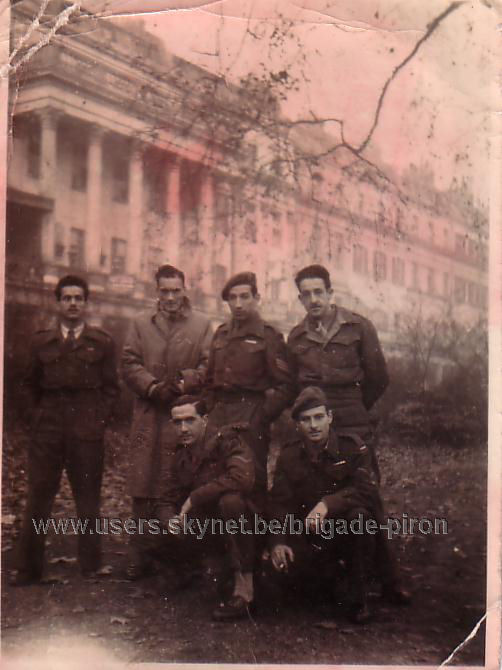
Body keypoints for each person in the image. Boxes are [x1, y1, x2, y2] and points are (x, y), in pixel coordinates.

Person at [267, 387, 410, 623]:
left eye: (319, 417)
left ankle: (359, 598)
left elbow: (367, 491)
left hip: (347, 531)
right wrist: (278, 542)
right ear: (297, 424)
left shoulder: (352, 447)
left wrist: (328, 504)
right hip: (310, 534)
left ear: (330, 417)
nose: (313, 425)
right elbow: (279, 503)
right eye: (306, 419)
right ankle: (331, 580)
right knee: (292, 592)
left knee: (360, 517)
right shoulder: (289, 456)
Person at [14, 275, 120, 584]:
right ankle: (27, 568)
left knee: (87, 496)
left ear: (86, 304)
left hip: (86, 428)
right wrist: (37, 419)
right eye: (67, 298)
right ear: (58, 302)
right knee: (39, 495)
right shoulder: (40, 341)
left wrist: (98, 420)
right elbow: (27, 385)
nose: (73, 303)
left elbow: (112, 389)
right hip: (48, 427)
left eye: (78, 298)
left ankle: (91, 563)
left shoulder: (101, 342)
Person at [121, 264, 213, 580]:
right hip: (149, 415)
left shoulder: (201, 325)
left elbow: (207, 364)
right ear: (156, 292)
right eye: (164, 291)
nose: (171, 297)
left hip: (183, 414)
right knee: (143, 484)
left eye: (176, 290)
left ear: (184, 289)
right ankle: (138, 554)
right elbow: (129, 362)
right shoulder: (140, 323)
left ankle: (182, 556)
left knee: (179, 481)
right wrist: (152, 386)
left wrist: (185, 383)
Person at [153, 395, 259, 621]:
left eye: (190, 420)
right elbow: (164, 497)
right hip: (211, 529)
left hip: (247, 526)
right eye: (177, 422)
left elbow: (242, 478)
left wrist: (194, 497)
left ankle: (245, 588)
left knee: (230, 501)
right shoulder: (181, 455)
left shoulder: (228, 441)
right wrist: (169, 519)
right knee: (153, 526)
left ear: (205, 419)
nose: (183, 428)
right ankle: (203, 569)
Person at [287, 264, 389, 477]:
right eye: (306, 294)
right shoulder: (296, 337)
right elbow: (293, 384)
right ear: (300, 300)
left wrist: (356, 403)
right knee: (316, 480)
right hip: (314, 419)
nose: (313, 299)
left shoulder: (359, 327)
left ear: (330, 293)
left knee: (361, 478)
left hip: (352, 415)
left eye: (318, 292)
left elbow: (378, 377)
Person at [204, 271, 294, 490]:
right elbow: (208, 379)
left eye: (244, 297)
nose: (238, 304)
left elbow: (286, 385)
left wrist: (261, 417)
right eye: (232, 298)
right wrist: (209, 409)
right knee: (213, 479)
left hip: (250, 419)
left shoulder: (268, 335)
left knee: (251, 483)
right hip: (219, 417)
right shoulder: (221, 334)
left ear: (257, 298)